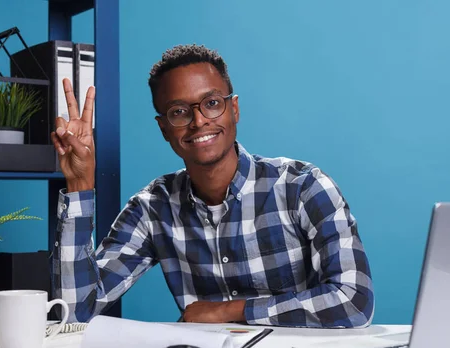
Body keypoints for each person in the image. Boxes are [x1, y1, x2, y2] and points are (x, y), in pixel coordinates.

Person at [50, 44, 374, 327]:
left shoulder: (303, 187)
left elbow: (354, 301)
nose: (199, 121)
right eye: (179, 112)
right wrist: (80, 185)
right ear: (164, 128)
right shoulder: (152, 208)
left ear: (234, 109)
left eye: (212, 103)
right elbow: (75, 311)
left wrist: (228, 311)